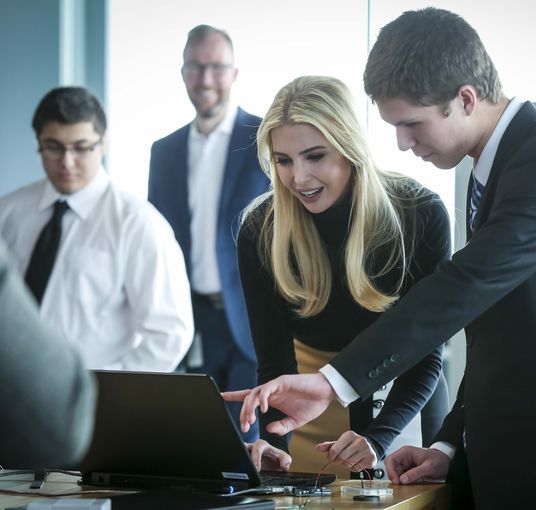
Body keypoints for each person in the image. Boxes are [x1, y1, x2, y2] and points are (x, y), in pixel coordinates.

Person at [224, 8, 536, 509]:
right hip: (506, 453)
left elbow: (460, 291)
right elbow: (496, 332)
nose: (402, 143)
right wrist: (449, 443)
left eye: (412, 124)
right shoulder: (498, 168)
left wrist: (332, 382)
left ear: (465, 99)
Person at [231, 75, 450, 477]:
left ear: (349, 147)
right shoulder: (260, 229)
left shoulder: (420, 213)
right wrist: (273, 446)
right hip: (306, 411)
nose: (299, 178)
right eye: (283, 160)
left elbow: (425, 353)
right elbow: (274, 364)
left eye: (315, 156)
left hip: (402, 408)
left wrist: (377, 439)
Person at [0, 86, 193, 371]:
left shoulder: (138, 224)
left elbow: (169, 333)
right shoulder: (8, 212)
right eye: (53, 147)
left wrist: (109, 389)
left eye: (81, 147)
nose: (66, 162)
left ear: (102, 143)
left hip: (93, 390)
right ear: (38, 142)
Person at [148, 25, 269, 440]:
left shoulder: (264, 139)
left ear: (234, 73)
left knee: (251, 447)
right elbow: (157, 240)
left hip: (255, 318)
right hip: (192, 321)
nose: (205, 79)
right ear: (183, 73)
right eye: (196, 68)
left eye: (216, 67)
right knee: (200, 442)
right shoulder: (163, 152)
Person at [0, 237, 96, 469]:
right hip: (46, 403)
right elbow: (61, 427)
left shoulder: (140, 227)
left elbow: (168, 332)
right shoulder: (15, 216)